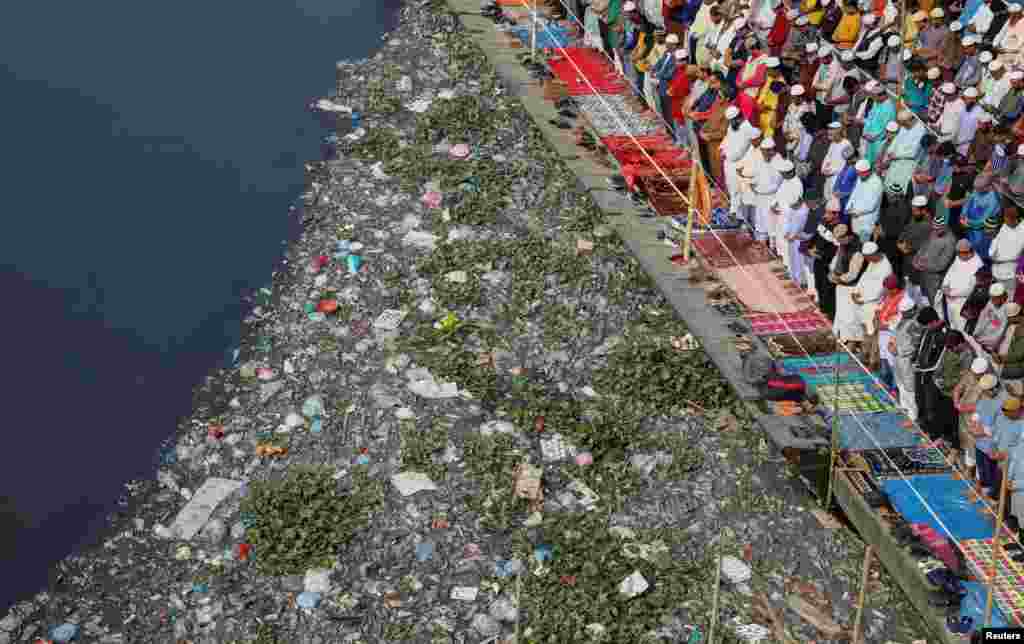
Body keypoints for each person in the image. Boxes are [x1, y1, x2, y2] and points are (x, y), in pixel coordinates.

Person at [852, 241, 894, 360]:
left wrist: (863, 299)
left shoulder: (886, 267)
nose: (867, 260)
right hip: (863, 303)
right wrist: (855, 292)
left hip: (874, 304)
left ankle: (873, 360)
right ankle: (865, 355)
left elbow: (880, 289)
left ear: (874, 254)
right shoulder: (872, 262)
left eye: (868, 257)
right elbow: (864, 277)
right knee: (866, 331)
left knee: (874, 334)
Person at [935, 330, 975, 449]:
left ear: (960, 344)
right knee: (944, 417)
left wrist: (946, 383)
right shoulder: (950, 349)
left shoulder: (968, 355)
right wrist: (937, 377)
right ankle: (946, 439)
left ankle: (955, 448)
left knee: (955, 424)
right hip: (945, 390)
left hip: (955, 393)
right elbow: (941, 364)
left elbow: (963, 378)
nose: (950, 350)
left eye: (952, 347)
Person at [913, 306, 949, 437]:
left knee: (931, 405)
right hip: (921, 371)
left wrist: (924, 368)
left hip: (932, 375)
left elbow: (940, 358)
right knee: (920, 399)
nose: (925, 328)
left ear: (933, 322)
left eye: (926, 325)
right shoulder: (928, 331)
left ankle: (934, 435)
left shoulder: (944, 334)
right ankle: (923, 426)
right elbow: (922, 347)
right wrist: (916, 361)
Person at [831, 226, 868, 346]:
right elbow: (837, 260)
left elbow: (853, 274)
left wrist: (839, 278)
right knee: (842, 314)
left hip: (852, 287)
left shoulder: (857, 249)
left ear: (848, 236)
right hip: (842, 285)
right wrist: (833, 273)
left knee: (851, 317)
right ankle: (842, 337)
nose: (839, 242)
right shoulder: (843, 245)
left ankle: (853, 342)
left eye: (840, 239)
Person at [954, 360, 992, 475]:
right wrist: (956, 402)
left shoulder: (990, 383)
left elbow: (986, 405)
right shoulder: (969, 374)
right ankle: (969, 469)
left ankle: (975, 476)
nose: (975, 375)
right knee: (966, 442)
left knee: (975, 446)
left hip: (977, 418)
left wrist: (967, 408)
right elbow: (958, 389)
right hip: (964, 415)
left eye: (977, 374)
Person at [938, 240, 985, 331]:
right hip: (950, 301)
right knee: (953, 326)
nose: (958, 255)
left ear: (969, 252)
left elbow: (971, 289)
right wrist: (944, 285)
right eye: (958, 253)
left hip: (963, 303)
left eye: (961, 253)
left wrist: (952, 293)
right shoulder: (958, 258)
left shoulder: (978, 265)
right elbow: (950, 273)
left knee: (963, 329)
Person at [721, 107, 759, 216]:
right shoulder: (732, 127)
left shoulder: (747, 128)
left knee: (742, 192)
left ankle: (741, 217)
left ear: (738, 118)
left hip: (740, 164)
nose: (730, 123)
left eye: (732, 121)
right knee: (733, 190)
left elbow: (739, 151)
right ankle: (734, 212)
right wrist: (723, 149)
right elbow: (727, 139)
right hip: (730, 163)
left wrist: (727, 155)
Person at [912, 215, 957, 304]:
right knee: (926, 300)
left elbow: (942, 265)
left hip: (936, 279)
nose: (935, 231)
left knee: (936, 303)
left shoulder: (950, 240)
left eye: (938, 229)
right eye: (934, 229)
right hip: (925, 274)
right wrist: (916, 258)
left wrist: (922, 266)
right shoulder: (934, 232)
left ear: (944, 227)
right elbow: (924, 246)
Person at [892, 297, 924, 420]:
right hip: (898, 357)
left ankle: (913, 415)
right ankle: (904, 408)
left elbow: (916, 344)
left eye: (905, 313)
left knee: (909, 387)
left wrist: (899, 350)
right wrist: (893, 344)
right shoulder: (904, 320)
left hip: (907, 359)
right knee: (901, 384)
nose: (903, 315)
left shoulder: (915, 324)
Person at [899, 196, 934, 301]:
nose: (913, 212)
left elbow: (925, 246)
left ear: (924, 210)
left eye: (915, 210)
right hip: (909, 263)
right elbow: (904, 233)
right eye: (912, 210)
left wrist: (908, 248)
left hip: (920, 267)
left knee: (921, 296)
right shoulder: (913, 219)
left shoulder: (929, 225)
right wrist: (900, 243)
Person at [961, 174, 1003, 257]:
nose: (976, 191)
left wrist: (968, 222)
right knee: (971, 244)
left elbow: (984, 219)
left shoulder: (994, 199)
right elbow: (968, 201)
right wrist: (963, 214)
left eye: (979, 189)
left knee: (980, 250)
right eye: (975, 189)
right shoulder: (978, 188)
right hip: (971, 227)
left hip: (982, 231)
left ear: (988, 187)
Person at [750, 139, 784, 242]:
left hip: (773, 199)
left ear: (773, 150)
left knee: (773, 228)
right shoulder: (758, 159)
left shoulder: (779, 161)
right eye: (764, 151)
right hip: (760, 199)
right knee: (760, 226)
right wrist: (752, 185)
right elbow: (753, 177)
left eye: (769, 150)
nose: (766, 153)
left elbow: (779, 184)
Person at [876, 274, 906, 387]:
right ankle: (885, 383)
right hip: (883, 333)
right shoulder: (888, 295)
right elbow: (880, 307)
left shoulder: (904, 299)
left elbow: (901, 320)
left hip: (892, 334)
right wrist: (877, 315)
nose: (886, 291)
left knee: (892, 362)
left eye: (888, 289)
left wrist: (887, 326)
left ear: (895, 289)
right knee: (884, 359)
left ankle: (896, 387)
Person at [772, 159, 804, 258]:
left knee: (787, 242)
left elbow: (795, 203)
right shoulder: (785, 181)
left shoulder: (797, 184)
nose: (782, 175)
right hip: (781, 214)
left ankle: (788, 264)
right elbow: (779, 194)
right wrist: (774, 204)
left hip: (789, 216)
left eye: (783, 173)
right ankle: (782, 258)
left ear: (789, 172)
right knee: (780, 239)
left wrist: (782, 209)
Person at [847, 159, 884, 243]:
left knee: (863, 246)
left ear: (867, 171)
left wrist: (857, 212)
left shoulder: (877, 183)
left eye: (860, 173)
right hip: (855, 218)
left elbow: (871, 205)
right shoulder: (860, 179)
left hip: (867, 221)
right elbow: (854, 193)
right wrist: (849, 207)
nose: (859, 175)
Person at [860, 82, 897, 164]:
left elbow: (886, 128)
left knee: (876, 164)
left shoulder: (889, 107)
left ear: (882, 95)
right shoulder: (876, 103)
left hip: (879, 142)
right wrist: (865, 132)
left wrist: (874, 137)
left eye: (874, 96)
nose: (872, 98)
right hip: (869, 140)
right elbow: (870, 118)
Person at [975, 283, 1012, 354]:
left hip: (994, 344)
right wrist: (976, 333)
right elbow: (982, 319)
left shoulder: (1008, 309)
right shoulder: (990, 303)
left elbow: (1001, 333)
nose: (992, 300)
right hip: (982, 339)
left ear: (1002, 297)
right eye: (991, 297)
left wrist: (985, 342)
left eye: (994, 298)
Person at [993, 303, 1024, 377]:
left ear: (1014, 317)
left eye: (1008, 318)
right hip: (1010, 355)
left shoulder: (1021, 330)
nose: (1007, 320)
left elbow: (1018, 355)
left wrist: (1000, 358)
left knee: (994, 371)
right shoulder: (1015, 323)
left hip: (1019, 366)